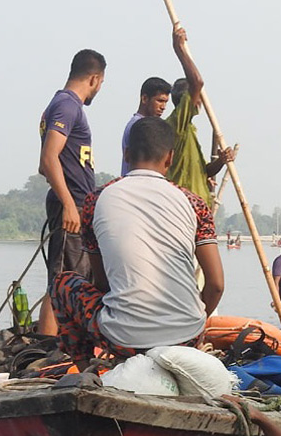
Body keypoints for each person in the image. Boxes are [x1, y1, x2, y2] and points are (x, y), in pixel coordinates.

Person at [48, 116, 224, 371]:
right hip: (187, 338)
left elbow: (102, 283)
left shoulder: (94, 201)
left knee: (62, 283)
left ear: (126, 154)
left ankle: (86, 370)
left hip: (122, 340)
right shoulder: (195, 203)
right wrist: (191, 325)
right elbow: (216, 285)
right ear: (170, 158)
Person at [37, 49, 107, 335]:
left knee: (76, 278)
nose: (99, 89)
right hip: (72, 206)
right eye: (101, 83)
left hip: (78, 205)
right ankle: (46, 346)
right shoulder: (67, 106)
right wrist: (68, 204)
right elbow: (47, 159)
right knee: (62, 282)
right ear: (94, 78)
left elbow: (47, 165)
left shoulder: (63, 105)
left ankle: (68, 342)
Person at [165, 26, 233, 204]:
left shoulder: (189, 129)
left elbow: (204, 172)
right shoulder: (175, 125)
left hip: (199, 206)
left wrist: (221, 161)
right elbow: (197, 82)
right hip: (184, 204)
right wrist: (179, 49)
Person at [120, 77, 171, 176]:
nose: (163, 107)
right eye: (160, 101)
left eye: (165, 102)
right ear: (144, 99)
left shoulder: (143, 125)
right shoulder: (138, 127)